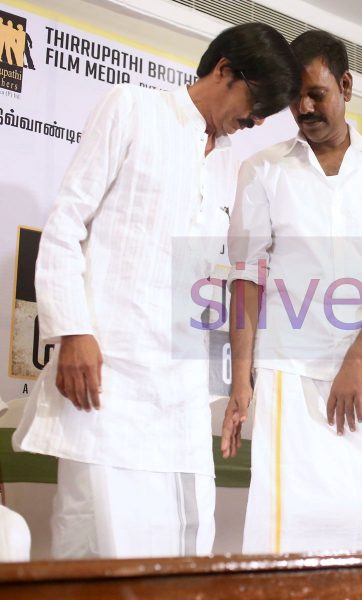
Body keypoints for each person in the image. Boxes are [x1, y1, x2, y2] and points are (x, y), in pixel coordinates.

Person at [12, 23, 298, 559]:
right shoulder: (134, 109)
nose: (255, 121)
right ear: (225, 71)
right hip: (107, 383)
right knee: (98, 544)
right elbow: (66, 225)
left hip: (180, 401)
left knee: (184, 551)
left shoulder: (224, 166)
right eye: (258, 103)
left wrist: (233, 381)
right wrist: (73, 332)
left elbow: (207, 284)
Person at [222, 29, 362, 554]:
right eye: (296, 96)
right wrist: (240, 380)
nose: (304, 107)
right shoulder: (262, 169)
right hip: (289, 372)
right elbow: (245, 277)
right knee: (290, 525)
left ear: (347, 85)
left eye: (317, 93)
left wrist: (358, 359)